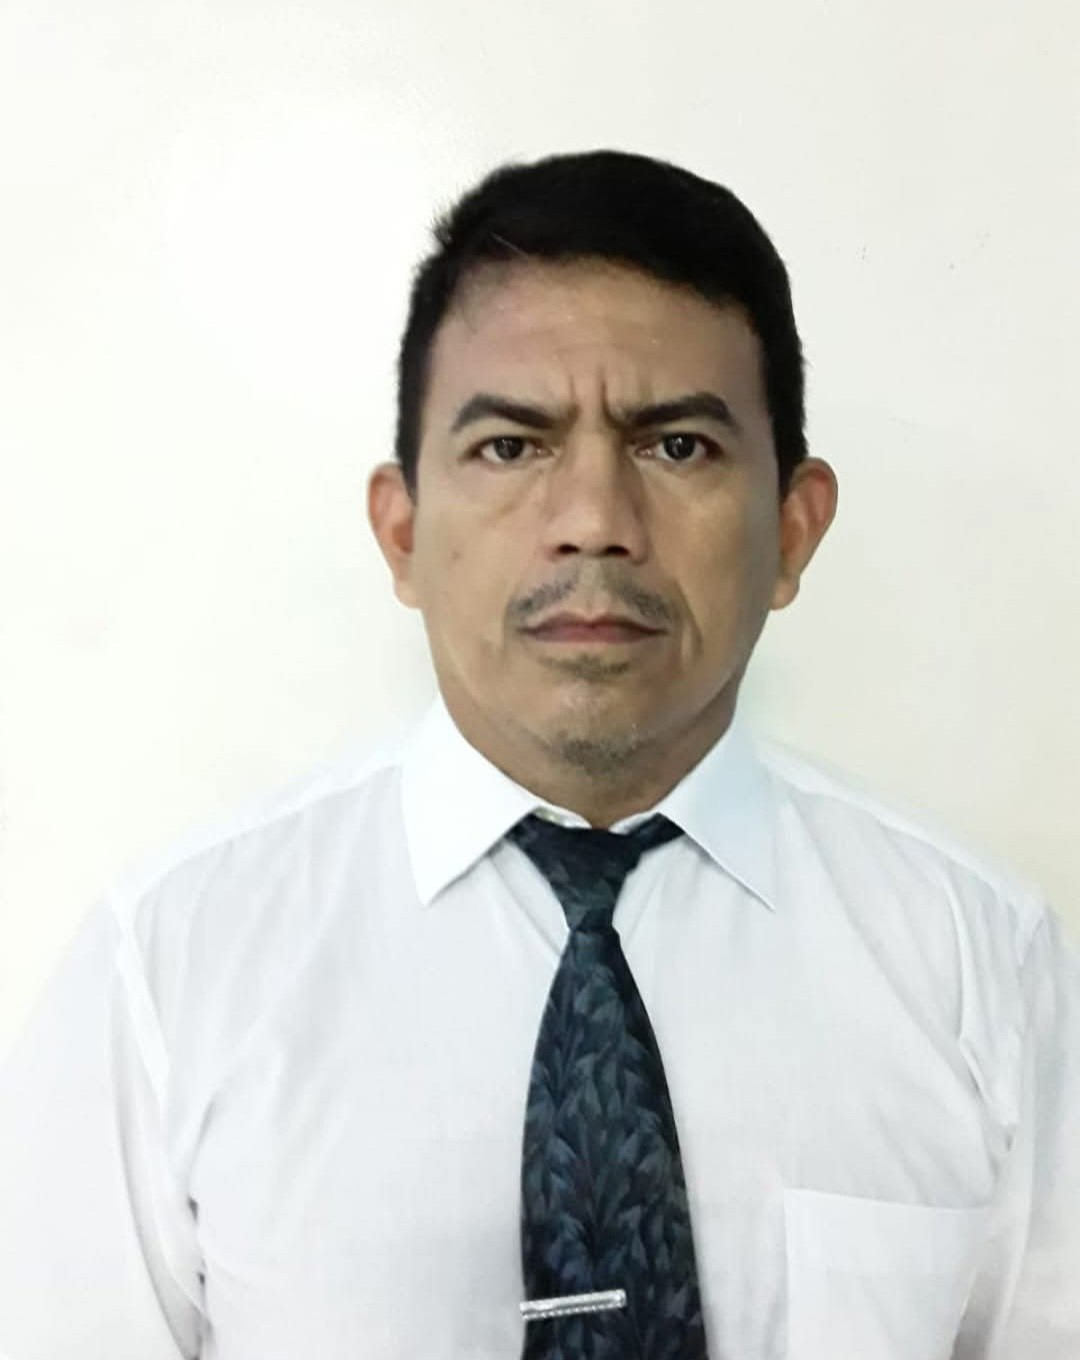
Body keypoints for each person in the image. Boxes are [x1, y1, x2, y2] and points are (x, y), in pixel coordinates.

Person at [0, 148, 1077, 1360]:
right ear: (402, 531)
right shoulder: (172, 971)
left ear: (792, 528)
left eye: (678, 446)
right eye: (512, 447)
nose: (595, 523)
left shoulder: (984, 968)